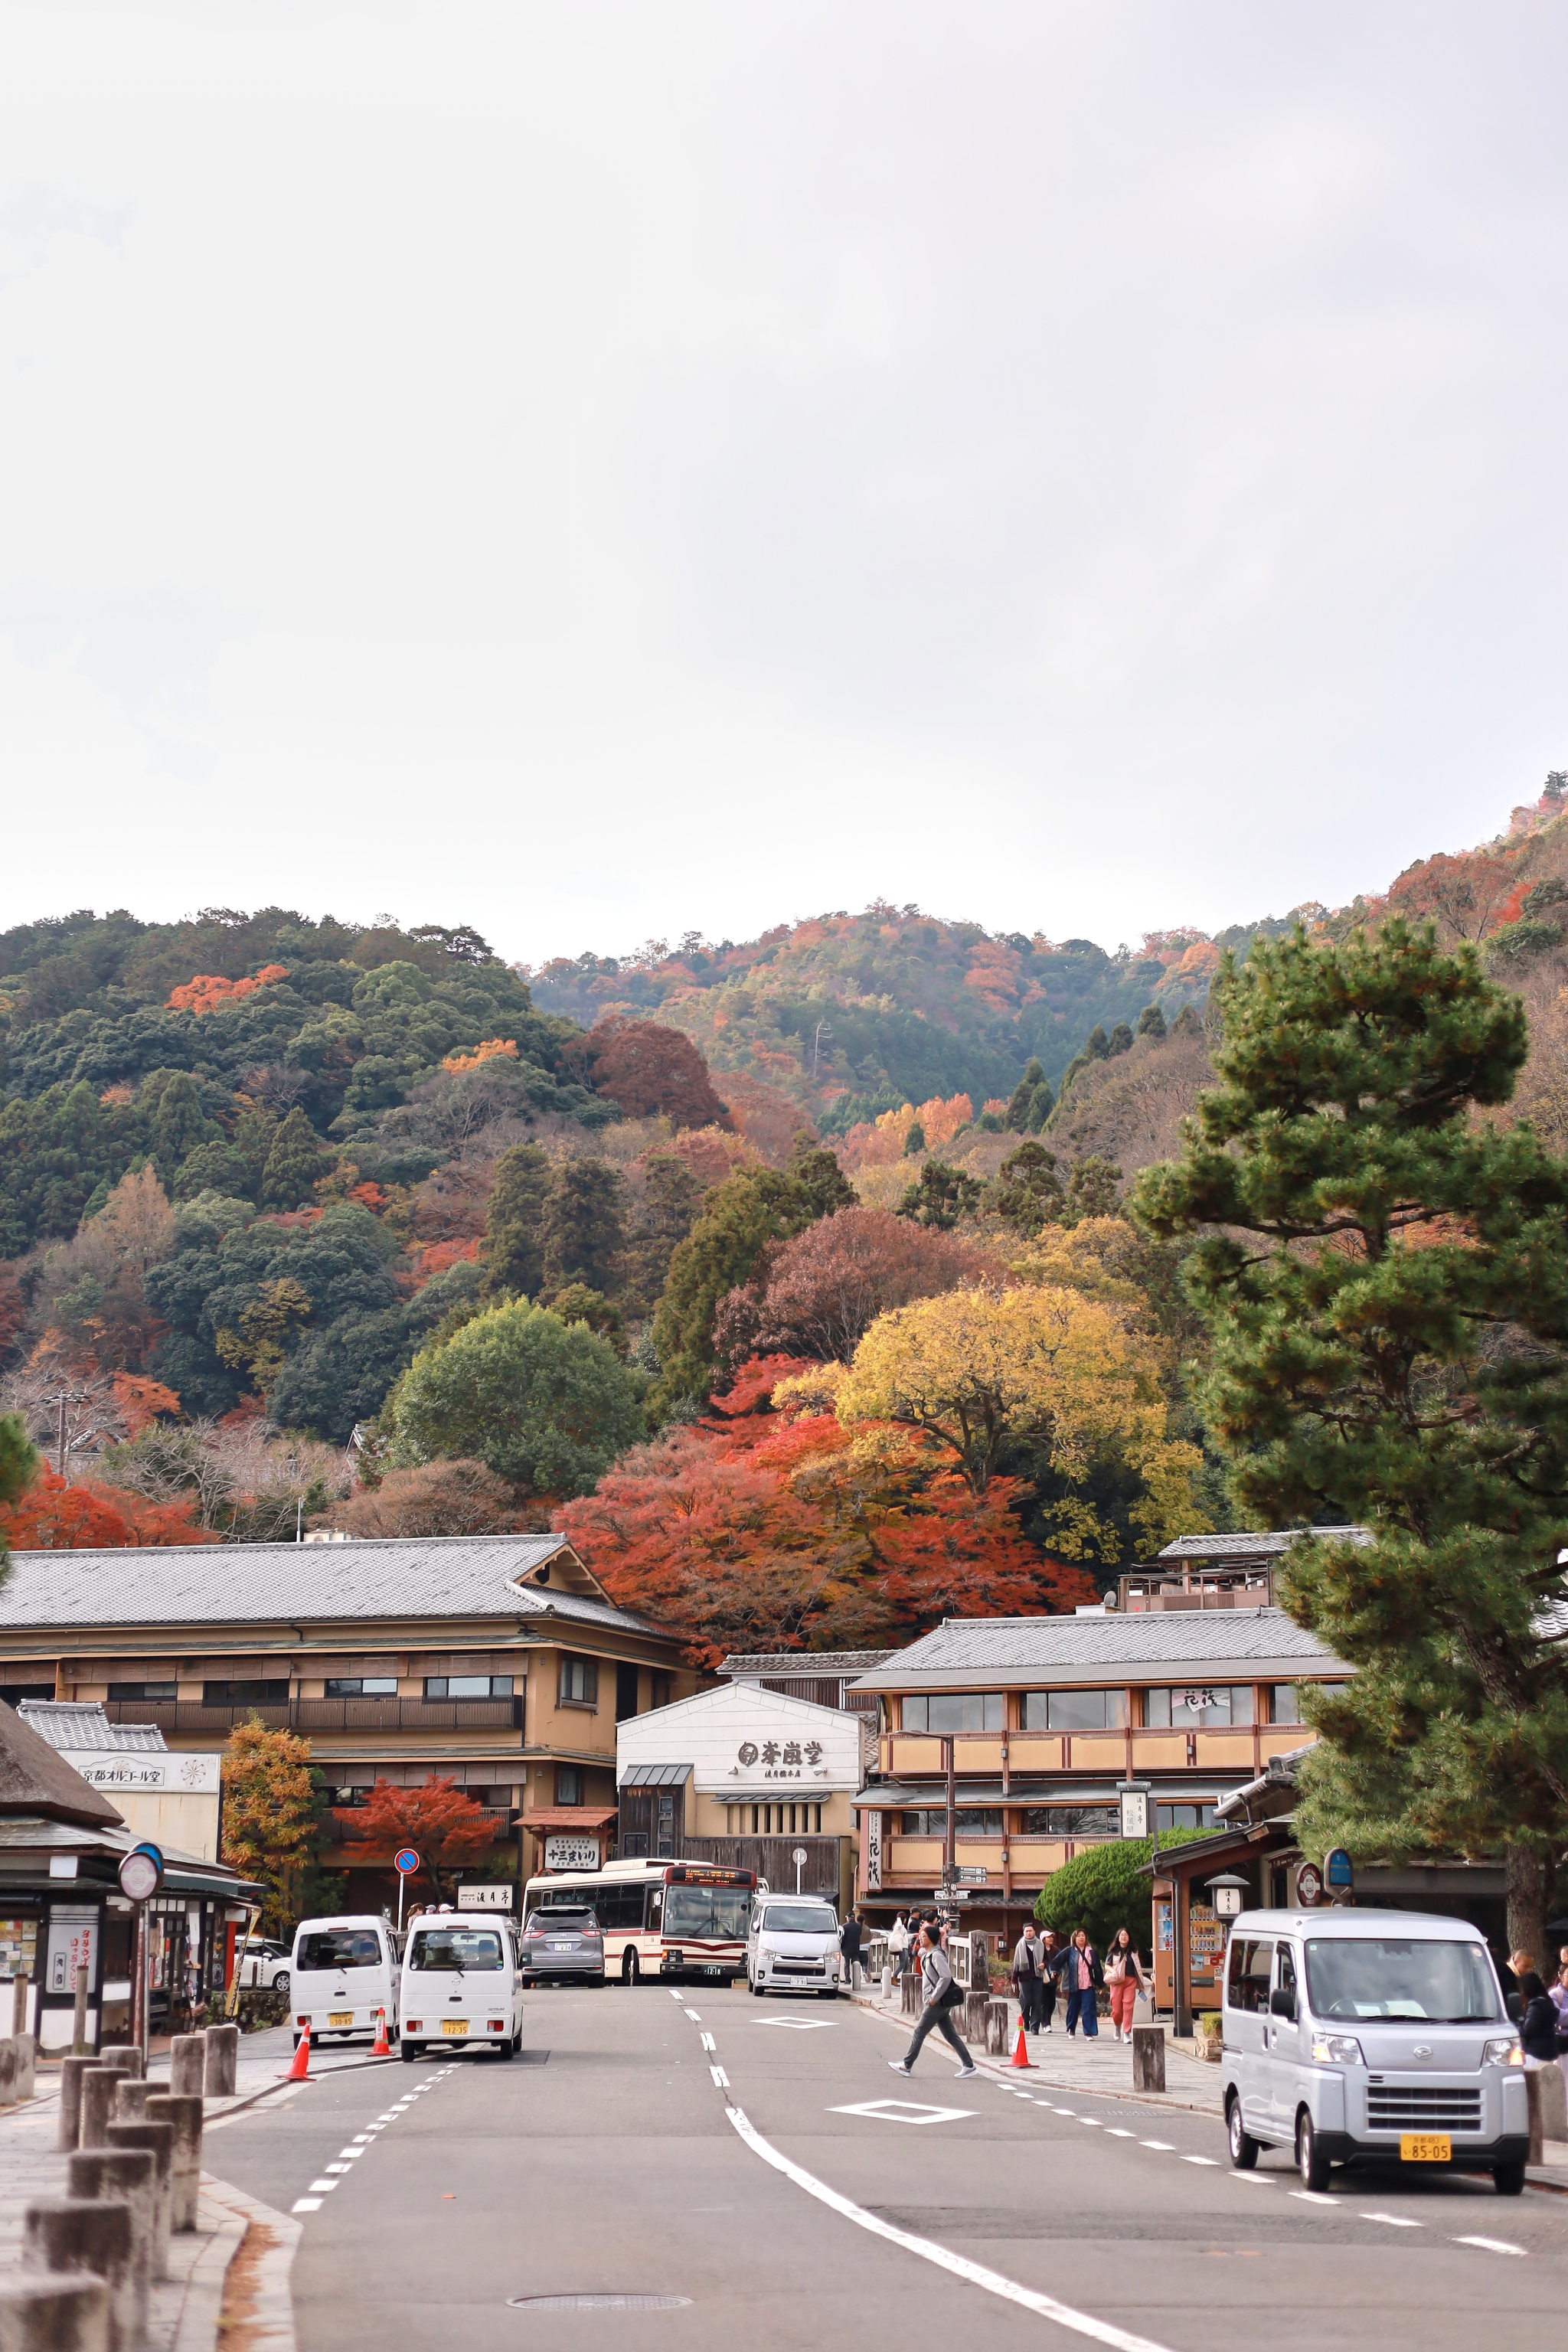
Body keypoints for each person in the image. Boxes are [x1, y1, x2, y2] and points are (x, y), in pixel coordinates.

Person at [890, 1918, 978, 2079]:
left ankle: (906, 2065)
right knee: (950, 2035)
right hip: (938, 2001)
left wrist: (934, 1998)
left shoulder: (937, 1955)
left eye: (923, 1936)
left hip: (937, 2001)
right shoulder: (928, 1954)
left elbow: (945, 1977)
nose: (920, 1939)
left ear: (930, 1938)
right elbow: (918, 1952)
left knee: (919, 2031)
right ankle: (969, 2065)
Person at [1104, 1928, 1149, 2043]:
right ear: (1118, 1938)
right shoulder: (1113, 1951)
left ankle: (1127, 2033)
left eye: (1126, 1935)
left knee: (1128, 2007)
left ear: (1129, 1938)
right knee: (1117, 2009)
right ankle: (1117, 2026)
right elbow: (1107, 1965)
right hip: (1117, 1981)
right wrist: (1113, 1971)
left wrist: (1142, 1982)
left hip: (1131, 1980)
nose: (1123, 1937)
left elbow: (1138, 1968)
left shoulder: (1134, 1952)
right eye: (1121, 1935)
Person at [1517, 1971, 1568, 2065]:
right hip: (1547, 2052)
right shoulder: (1547, 2002)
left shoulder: (1535, 2007)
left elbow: (1528, 2031)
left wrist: (1516, 2028)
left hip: (1535, 2054)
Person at [1064, 1927, 1102, 2038]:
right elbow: (1058, 1961)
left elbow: (1098, 1968)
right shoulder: (1070, 1951)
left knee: (1089, 2008)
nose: (1081, 1938)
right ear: (1074, 1938)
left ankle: (1088, 2032)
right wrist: (1053, 1971)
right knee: (1073, 2008)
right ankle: (1071, 2029)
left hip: (1088, 1984)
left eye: (1083, 1936)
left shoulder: (1092, 1951)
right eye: (1079, 1936)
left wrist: (1100, 1984)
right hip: (1074, 1984)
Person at [1012, 1921, 1045, 2034]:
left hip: (1037, 1977)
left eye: (1031, 1931)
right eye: (1027, 1931)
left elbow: (1047, 1959)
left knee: (1037, 2002)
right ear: (1024, 1932)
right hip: (1024, 1978)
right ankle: (1026, 2020)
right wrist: (1014, 1980)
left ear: (1034, 1932)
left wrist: (1044, 1964)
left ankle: (1035, 2027)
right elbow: (1016, 1964)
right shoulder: (1020, 1945)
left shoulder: (1040, 1945)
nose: (1029, 1933)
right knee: (1026, 2002)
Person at [1038, 1930, 1063, 2033]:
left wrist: (1056, 1972)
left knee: (1052, 2003)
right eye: (1048, 1937)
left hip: (1053, 1980)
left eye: (1052, 1937)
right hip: (1042, 1979)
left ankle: (1045, 2020)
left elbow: (1059, 1962)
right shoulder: (1040, 1950)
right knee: (1044, 2002)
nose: (1051, 1939)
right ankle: (1046, 2023)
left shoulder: (1056, 1950)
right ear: (1043, 1939)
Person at [840, 1909, 864, 1991]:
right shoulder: (858, 1927)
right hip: (855, 1948)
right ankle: (856, 1980)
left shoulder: (845, 1926)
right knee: (856, 1964)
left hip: (846, 1948)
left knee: (847, 1965)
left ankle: (847, 1979)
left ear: (849, 1918)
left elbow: (842, 1937)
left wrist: (841, 1947)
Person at [888, 1912, 911, 1984]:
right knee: (902, 1964)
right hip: (902, 1947)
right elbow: (899, 1925)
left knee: (906, 1964)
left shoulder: (903, 1927)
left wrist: (913, 1936)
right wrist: (899, 1918)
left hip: (905, 1946)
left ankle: (903, 1979)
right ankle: (894, 1977)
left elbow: (905, 1937)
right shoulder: (898, 1926)